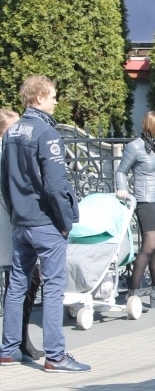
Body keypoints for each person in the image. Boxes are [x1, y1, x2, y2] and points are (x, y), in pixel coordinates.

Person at [0, 75, 88, 372]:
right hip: (44, 222)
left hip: (21, 221)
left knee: (16, 285)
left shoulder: (12, 133)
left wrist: (15, 214)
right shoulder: (45, 133)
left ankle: (9, 350)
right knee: (53, 288)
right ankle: (56, 355)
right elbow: (55, 185)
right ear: (38, 97)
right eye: (52, 96)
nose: (56, 101)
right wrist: (64, 222)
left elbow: (5, 181)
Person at [115, 111, 155, 309]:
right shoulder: (134, 147)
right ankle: (132, 295)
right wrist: (122, 189)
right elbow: (121, 171)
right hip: (146, 201)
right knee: (149, 247)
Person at [0, 109, 44, 361]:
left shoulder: (9, 150)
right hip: (10, 226)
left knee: (25, 282)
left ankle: (18, 341)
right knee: (22, 282)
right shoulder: (5, 152)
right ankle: (16, 342)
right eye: (14, 127)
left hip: (13, 225)